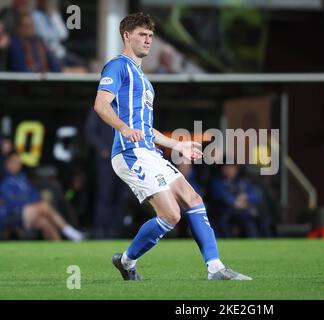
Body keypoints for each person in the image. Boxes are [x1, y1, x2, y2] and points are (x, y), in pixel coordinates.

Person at [93, 12, 251, 281]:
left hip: (149, 153)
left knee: (193, 199)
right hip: (130, 154)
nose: (148, 40)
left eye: (151, 36)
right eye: (142, 35)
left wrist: (178, 145)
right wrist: (122, 127)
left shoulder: (143, 79)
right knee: (171, 214)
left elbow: (146, 129)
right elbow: (100, 105)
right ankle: (128, 261)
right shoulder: (117, 66)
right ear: (126, 36)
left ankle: (215, 268)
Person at [0, 150, 84, 241]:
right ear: (7, 164)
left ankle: (59, 246)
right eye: (14, 162)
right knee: (44, 206)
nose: (18, 164)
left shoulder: (23, 178)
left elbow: (34, 194)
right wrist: (33, 204)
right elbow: (12, 201)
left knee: (44, 222)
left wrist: (33, 203)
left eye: (19, 162)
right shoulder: (5, 181)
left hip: (28, 212)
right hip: (12, 214)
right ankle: (69, 231)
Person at [85, 108, 128, 239]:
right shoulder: (100, 107)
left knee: (120, 196)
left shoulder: (124, 106)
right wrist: (102, 148)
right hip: (106, 161)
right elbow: (90, 132)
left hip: (124, 159)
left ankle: (116, 230)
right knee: (105, 195)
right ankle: (101, 230)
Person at [210, 163, 264, 238]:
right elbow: (221, 195)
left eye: (232, 167)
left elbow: (257, 195)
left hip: (243, 212)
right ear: (222, 169)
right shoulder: (217, 181)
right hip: (224, 212)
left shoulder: (242, 181)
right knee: (223, 222)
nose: (230, 170)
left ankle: (254, 243)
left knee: (252, 221)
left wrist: (246, 196)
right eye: (227, 167)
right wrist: (234, 202)